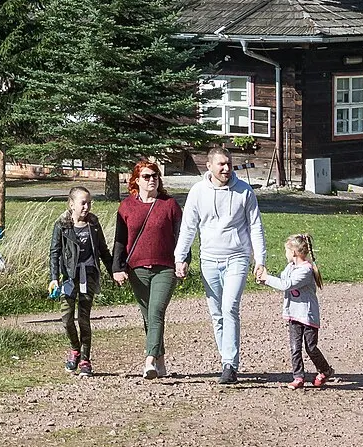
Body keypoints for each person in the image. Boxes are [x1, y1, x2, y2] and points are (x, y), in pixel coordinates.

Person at [174, 143, 267, 385]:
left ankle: (230, 365)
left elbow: (255, 226)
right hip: (209, 259)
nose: (226, 169)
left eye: (229, 164)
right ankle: (226, 358)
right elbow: (188, 227)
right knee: (217, 313)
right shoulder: (197, 192)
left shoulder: (244, 191)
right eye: (222, 164)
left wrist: (260, 259)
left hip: (237, 257)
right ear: (210, 166)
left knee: (230, 308)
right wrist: (180, 257)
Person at [112, 157, 184, 379]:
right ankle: (161, 362)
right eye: (146, 176)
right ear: (136, 180)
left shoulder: (169, 205)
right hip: (137, 269)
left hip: (165, 267)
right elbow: (120, 240)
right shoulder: (126, 207)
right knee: (149, 317)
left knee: (156, 312)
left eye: (155, 176)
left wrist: (184, 260)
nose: (152, 180)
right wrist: (117, 267)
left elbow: (183, 236)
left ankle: (149, 361)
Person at [48, 185, 112, 376]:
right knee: (67, 318)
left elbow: (103, 250)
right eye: (83, 203)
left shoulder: (93, 223)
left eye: (89, 203)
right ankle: (74, 349)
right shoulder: (62, 225)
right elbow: (55, 252)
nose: (86, 207)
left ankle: (85, 358)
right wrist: (54, 278)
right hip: (68, 277)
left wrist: (114, 270)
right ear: (71, 204)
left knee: (84, 318)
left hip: (88, 276)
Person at [259, 232, 336, 389]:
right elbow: (283, 281)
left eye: (286, 250)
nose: (285, 254)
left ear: (293, 252)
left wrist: (268, 278)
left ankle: (325, 370)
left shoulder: (305, 271)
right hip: (294, 315)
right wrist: (265, 280)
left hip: (307, 316)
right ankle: (298, 377)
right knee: (295, 347)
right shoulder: (291, 267)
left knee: (311, 347)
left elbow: (287, 284)